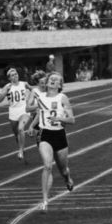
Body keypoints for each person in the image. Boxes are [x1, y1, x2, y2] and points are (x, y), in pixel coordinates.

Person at [34, 72, 75, 212]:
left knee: (63, 170)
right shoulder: (40, 97)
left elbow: (72, 120)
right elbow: (38, 113)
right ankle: (45, 200)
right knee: (47, 166)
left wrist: (60, 119)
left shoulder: (63, 98)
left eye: (56, 80)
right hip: (45, 135)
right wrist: (32, 127)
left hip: (59, 135)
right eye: (51, 78)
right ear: (47, 82)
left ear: (60, 85)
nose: (52, 80)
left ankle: (67, 179)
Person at [0, 67, 33, 162]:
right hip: (13, 112)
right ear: (9, 78)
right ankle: (21, 147)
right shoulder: (7, 87)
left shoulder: (24, 84)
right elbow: (0, 100)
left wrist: (30, 99)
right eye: (12, 75)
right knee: (16, 133)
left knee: (21, 128)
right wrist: (5, 92)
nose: (15, 76)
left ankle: (21, 150)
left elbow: (33, 90)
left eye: (16, 74)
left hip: (24, 110)